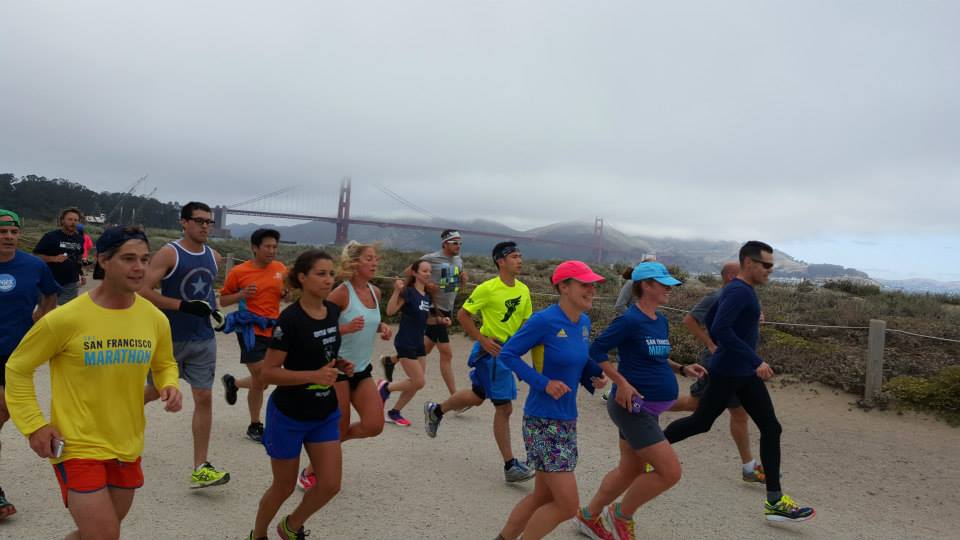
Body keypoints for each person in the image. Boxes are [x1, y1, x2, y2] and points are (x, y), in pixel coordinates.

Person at [5, 226, 182, 540]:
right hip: (77, 444)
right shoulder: (66, 318)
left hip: (127, 444)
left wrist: (170, 384)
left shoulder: (154, 318)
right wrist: (34, 425)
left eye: (144, 259)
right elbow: (18, 368)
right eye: (128, 259)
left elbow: (165, 363)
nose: (139, 267)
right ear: (103, 260)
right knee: (104, 535)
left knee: (95, 534)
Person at [663, 241, 815, 523]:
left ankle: (775, 501)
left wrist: (746, 356)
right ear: (749, 263)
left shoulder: (741, 291)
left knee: (771, 427)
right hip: (729, 372)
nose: (771, 270)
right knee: (700, 422)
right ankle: (650, 448)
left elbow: (712, 317)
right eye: (767, 265)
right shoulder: (738, 291)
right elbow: (719, 326)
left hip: (742, 373)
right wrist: (755, 359)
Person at [575, 261, 706, 540]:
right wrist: (620, 382)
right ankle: (621, 515)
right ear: (646, 285)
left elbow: (655, 356)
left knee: (629, 470)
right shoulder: (630, 320)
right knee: (670, 472)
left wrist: (681, 368)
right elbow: (595, 350)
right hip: (634, 409)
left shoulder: (660, 320)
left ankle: (588, 517)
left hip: (649, 408)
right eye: (664, 284)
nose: (669, 289)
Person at [493, 260, 607, 540]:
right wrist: (543, 383)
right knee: (567, 505)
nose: (591, 289)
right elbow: (507, 354)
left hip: (566, 419)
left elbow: (577, 361)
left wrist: (592, 375)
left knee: (542, 497)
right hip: (543, 420)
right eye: (584, 284)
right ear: (563, 287)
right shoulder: (544, 320)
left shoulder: (583, 322)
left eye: (593, 284)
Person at [249, 250, 354, 540]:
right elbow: (268, 373)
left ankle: (290, 527)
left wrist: (339, 363)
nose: (328, 279)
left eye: (331, 274)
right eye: (321, 273)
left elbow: (325, 352)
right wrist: (314, 376)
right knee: (282, 486)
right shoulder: (290, 320)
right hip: (289, 415)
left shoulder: (333, 311)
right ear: (303, 277)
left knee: (330, 484)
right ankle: (258, 535)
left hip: (323, 413)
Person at [423, 241, 536, 483]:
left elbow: (526, 322)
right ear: (501, 261)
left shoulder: (524, 290)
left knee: (477, 395)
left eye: (520, 255)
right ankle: (510, 466)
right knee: (504, 407)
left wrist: (521, 347)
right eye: (514, 256)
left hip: (507, 354)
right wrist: (482, 341)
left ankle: (436, 410)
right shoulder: (488, 288)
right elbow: (463, 315)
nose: (520, 260)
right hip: (492, 353)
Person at [139, 201, 230, 488]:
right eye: (199, 220)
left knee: (204, 397)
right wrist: (182, 306)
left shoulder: (214, 256)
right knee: (153, 392)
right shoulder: (170, 253)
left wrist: (215, 314)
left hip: (203, 339)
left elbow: (206, 294)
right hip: (170, 338)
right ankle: (106, 424)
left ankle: (200, 466)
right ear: (184, 222)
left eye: (209, 222)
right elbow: (142, 290)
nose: (205, 226)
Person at [297, 241, 392, 491]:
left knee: (374, 425)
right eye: (369, 258)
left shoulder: (376, 292)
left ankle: (326, 443)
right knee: (338, 427)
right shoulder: (341, 293)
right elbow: (319, 326)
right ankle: (310, 470)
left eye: (376, 258)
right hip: (336, 369)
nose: (375, 262)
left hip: (361, 370)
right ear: (354, 263)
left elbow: (371, 320)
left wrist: (381, 327)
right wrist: (345, 328)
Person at [671, 261, 763, 483]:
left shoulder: (742, 296)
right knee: (731, 412)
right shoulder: (717, 297)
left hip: (737, 366)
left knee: (699, 405)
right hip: (719, 366)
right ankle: (647, 420)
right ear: (732, 276)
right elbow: (689, 320)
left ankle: (646, 409)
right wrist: (711, 344)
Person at [0, 209, 60, 520]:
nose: (8, 236)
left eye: (13, 231)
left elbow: (50, 296)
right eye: (2, 231)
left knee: (5, 410)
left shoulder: (34, 265)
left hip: (17, 355)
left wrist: (39, 322)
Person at [220, 228, 288, 443]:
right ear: (254, 248)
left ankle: (234, 383)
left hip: (274, 329)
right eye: (267, 246)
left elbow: (284, 294)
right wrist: (241, 295)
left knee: (264, 381)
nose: (272, 250)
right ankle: (255, 425)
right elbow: (223, 301)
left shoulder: (280, 269)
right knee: (262, 377)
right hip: (249, 330)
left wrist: (286, 294)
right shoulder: (239, 272)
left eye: (275, 247)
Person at [384, 229, 467, 395]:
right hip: (433, 309)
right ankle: (454, 396)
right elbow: (409, 273)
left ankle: (391, 360)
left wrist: (462, 281)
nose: (458, 246)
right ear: (445, 244)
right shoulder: (431, 258)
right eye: (454, 242)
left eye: (460, 243)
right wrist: (423, 288)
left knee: (424, 348)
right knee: (446, 353)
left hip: (447, 308)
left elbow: (452, 286)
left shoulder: (459, 261)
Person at [378, 259, 436, 427]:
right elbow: (390, 311)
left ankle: (394, 412)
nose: (428, 274)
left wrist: (440, 320)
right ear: (415, 273)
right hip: (405, 342)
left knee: (416, 383)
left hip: (418, 344)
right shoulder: (408, 292)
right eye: (424, 271)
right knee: (419, 381)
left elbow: (424, 320)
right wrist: (397, 291)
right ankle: (385, 388)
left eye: (429, 271)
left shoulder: (427, 295)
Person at [32, 207, 86, 305]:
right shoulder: (50, 236)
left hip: (71, 282)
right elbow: (35, 256)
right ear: (62, 220)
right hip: (49, 280)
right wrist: (53, 258)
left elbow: (78, 258)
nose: (73, 222)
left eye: (76, 220)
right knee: (46, 311)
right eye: (70, 219)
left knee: (65, 312)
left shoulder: (80, 239)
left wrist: (81, 274)